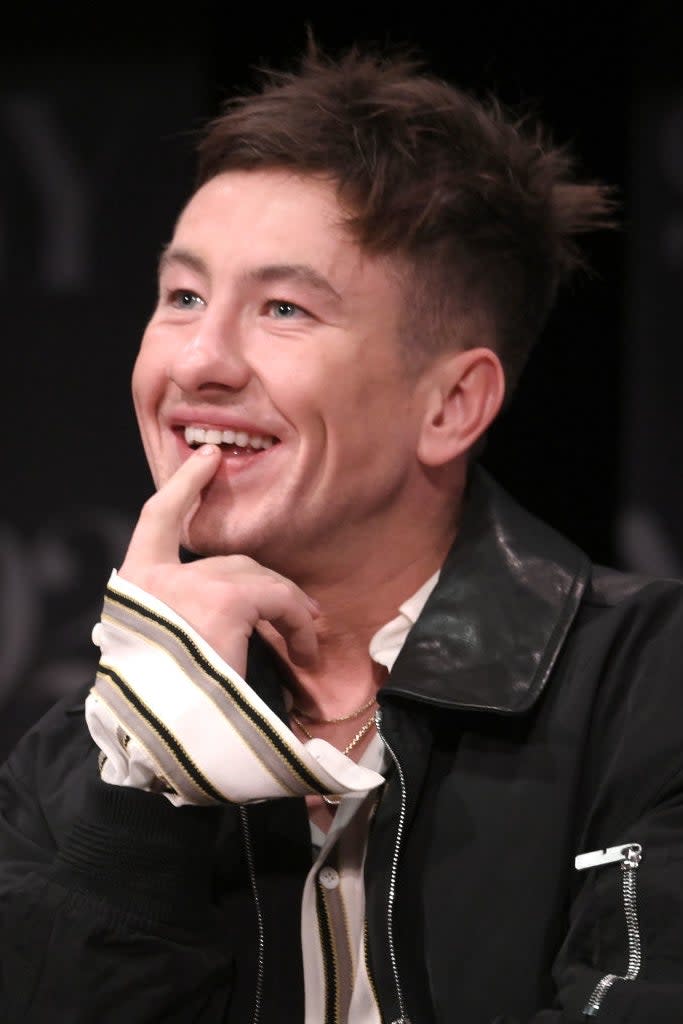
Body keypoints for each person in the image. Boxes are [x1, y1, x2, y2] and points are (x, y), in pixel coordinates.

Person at [1, 40, 683, 1024]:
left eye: (282, 308)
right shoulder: (82, 755)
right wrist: (139, 797)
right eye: (182, 296)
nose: (199, 361)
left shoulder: (650, 688)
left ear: (450, 405)